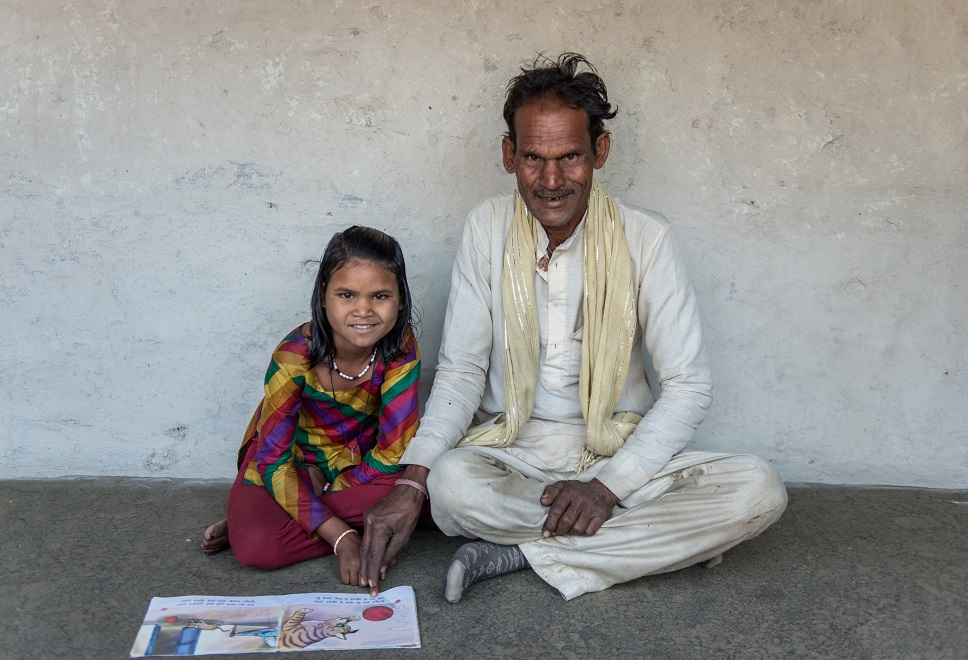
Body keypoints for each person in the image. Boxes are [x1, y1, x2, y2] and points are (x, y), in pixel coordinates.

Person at [358, 53, 788, 602]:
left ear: (600, 153)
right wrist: (411, 483)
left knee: (758, 489)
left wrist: (607, 488)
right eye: (533, 158)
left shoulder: (647, 239)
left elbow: (688, 386)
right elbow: (463, 369)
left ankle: (522, 553)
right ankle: (654, 543)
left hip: (615, 447)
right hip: (510, 450)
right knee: (449, 488)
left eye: (571, 157)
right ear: (509, 156)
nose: (552, 179)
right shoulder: (486, 229)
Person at [201, 225, 424, 587]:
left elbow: (394, 448)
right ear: (323, 295)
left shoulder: (399, 347)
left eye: (380, 295)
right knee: (257, 548)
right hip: (293, 463)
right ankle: (274, 517)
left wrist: (331, 490)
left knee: (429, 494)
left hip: (364, 465)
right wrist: (341, 538)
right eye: (347, 294)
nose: (363, 311)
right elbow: (273, 461)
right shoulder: (292, 358)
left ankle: (282, 515)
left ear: (400, 299)